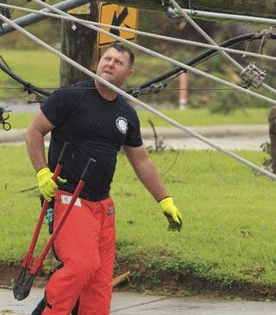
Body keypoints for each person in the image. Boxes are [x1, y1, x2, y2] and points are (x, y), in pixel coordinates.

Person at [24, 42, 183, 315]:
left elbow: (141, 159)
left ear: (128, 73)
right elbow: (33, 132)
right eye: (106, 58)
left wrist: (164, 200)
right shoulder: (70, 97)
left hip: (102, 207)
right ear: (97, 64)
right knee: (81, 266)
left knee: (98, 281)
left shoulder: (126, 113)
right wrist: (42, 172)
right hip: (66, 198)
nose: (109, 63)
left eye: (117, 62)